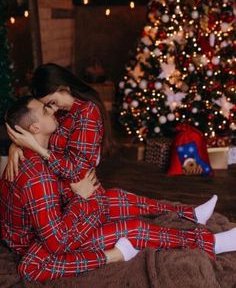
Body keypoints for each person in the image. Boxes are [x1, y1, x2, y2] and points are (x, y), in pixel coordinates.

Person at [3, 99, 236, 283]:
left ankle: (189, 214)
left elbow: (71, 120)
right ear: (34, 128)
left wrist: (18, 144)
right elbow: (56, 243)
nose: (51, 110)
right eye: (45, 110)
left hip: (52, 220)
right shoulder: (36, 177)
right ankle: (212, 243)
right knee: (132, 229)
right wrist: (81, 200)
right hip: (41, 242)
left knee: (114, 198)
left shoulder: (34, 148)